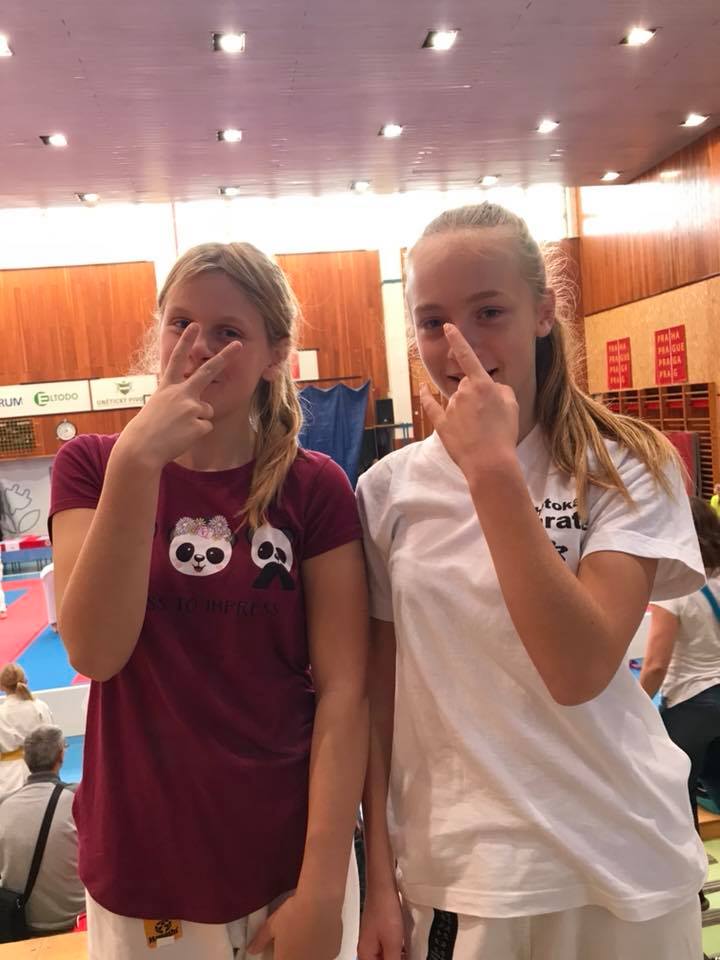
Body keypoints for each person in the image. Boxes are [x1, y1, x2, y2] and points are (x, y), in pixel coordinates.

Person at [357, 202, 707, 960]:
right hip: (471, 874)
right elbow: (377, 701)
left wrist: (491, 471)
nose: (459, 346)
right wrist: (377, 881)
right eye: (432, 322)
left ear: (544, 312)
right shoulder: (386, 493)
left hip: (626, 857)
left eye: (489, 312)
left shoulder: (623, 462)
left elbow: (578, 669)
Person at [50, 242, 368, 960]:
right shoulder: (93, 466)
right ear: (159, 330)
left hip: (284, 861)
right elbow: (95, 652)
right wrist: (139, 461)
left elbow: (346, 693)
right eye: (182, 323)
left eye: (229, 332)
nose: (200, 348)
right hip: (145, 862)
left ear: (275, 354)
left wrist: (322, 888)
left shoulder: (314, 488)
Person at [640, 497, 720, 841]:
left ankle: (693, 874)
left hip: (692, 701)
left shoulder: (675, 586)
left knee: (679, 797)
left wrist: (638, 706)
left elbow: (656, 664)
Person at [0, 725, 84, 934]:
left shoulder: (4, 806)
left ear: (26, 759)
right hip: (78, 919)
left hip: (21, 922)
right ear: (61, 755)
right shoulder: (78, 800)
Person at [0, 664, 53, 800]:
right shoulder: (40, 706)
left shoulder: (1, 713)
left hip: (9, 779)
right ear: (26, 681)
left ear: (1, 686)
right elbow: (52, 738)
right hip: (42, 771)